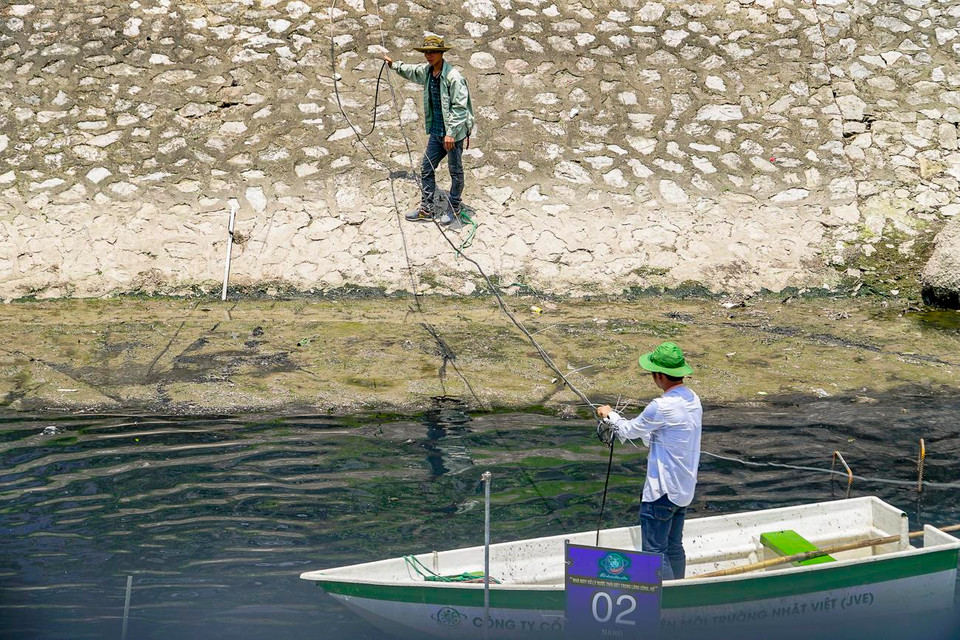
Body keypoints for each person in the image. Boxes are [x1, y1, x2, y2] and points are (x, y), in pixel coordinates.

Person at [596, 342, 702, 580]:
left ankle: (664, 605)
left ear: (660, 376)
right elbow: (655, 434)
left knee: (655, 552)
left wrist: (608, 415)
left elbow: (630, 430)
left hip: (661, 492)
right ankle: (679, 595)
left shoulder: (661, 406)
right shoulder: (693, 399)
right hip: (684, 489)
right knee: (674, 546)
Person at [383, 35, 475, 224]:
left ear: (441, 53)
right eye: (426, 52)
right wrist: (394, 65)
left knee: (455, 171)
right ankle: (427, 209)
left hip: (453, 135)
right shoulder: (427, 72)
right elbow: (412, 71)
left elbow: (460, 108)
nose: (429, 55)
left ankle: (455, 206)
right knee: (427, 168)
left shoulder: (454, 78)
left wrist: (451, 133)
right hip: (436, 131)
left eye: (432, 52)